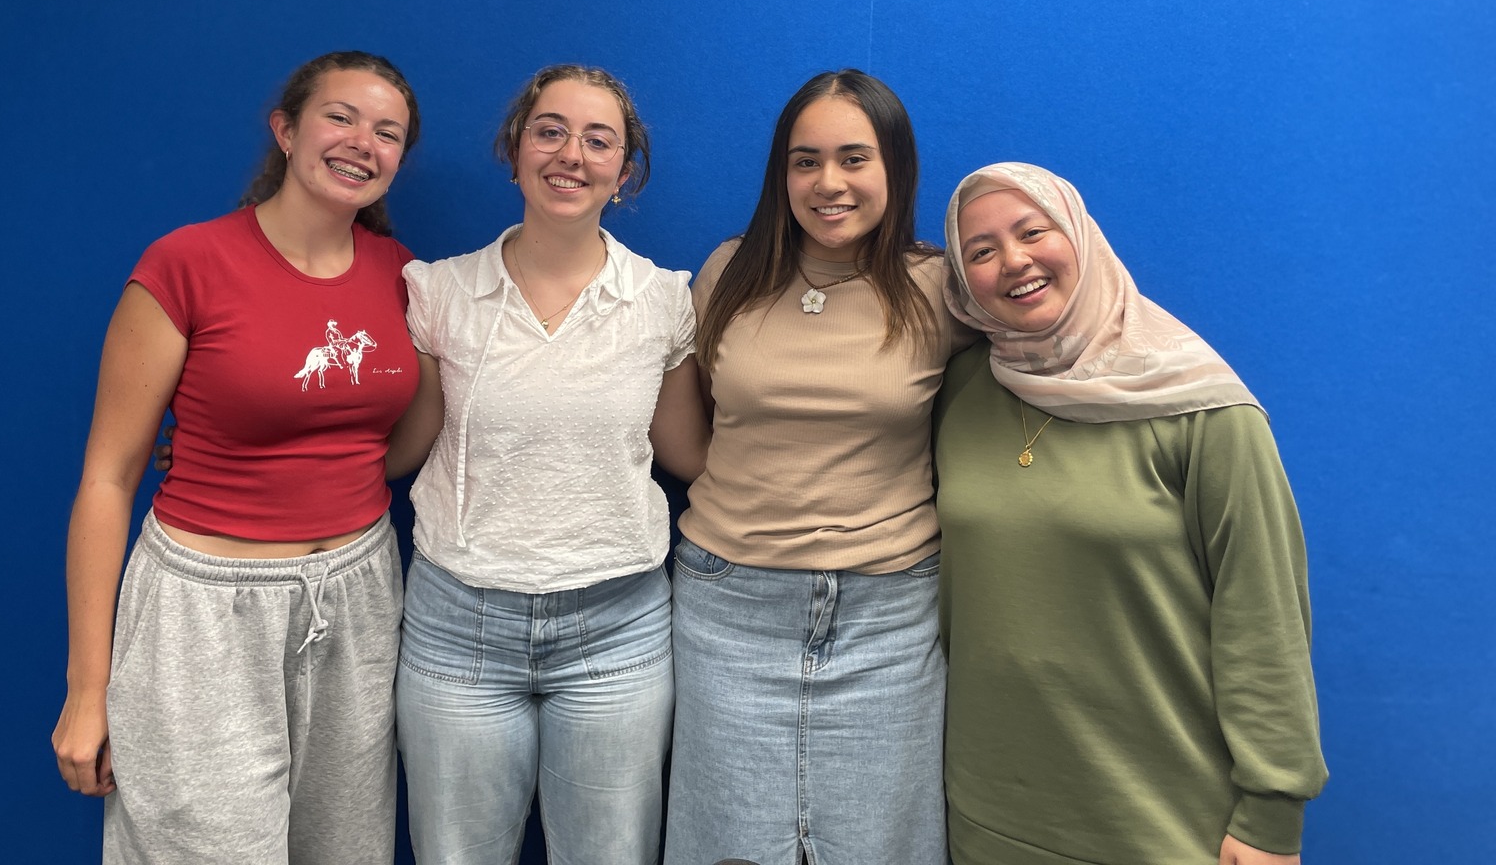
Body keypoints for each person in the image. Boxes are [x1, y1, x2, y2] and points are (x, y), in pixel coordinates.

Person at [51, 51, 423, 864]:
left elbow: (388, 444)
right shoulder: (188, 265)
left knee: (345, 850)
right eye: (341, 117)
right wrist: (88, 689)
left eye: (387, 131)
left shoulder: (404, 279)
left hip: (357, 601)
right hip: (205, 609)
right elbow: (108, 478)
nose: (363, 141)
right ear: (285, 130)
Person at [935, 161, 1328, 865]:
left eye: (1033, 232)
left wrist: (1272, 811)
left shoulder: (1204, 408)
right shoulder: (959, 391)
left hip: (1163, 818)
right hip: (988, 811)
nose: (1013, 261)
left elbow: (1265, 615)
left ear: (1082, 240)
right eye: (981, 251)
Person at [387, 64, 710, 865]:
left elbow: (687, 457)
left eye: (598, 140)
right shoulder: (440, 293)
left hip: (618, 629)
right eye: (550, 130)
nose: (571, 154)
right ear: (515, 149)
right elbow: (402, 449)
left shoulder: (664, 300)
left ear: (624, 172)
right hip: (458, 626)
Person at [663, 70, 968, 865]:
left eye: (853, 158)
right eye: (805, 161)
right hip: (729, 608)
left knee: (881, 847)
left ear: (895, 169)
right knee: (725, 842)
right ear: (782, 174)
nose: (828, 182)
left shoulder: (941, 287)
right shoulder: (727, 273)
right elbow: (691, 442)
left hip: (890, 617)